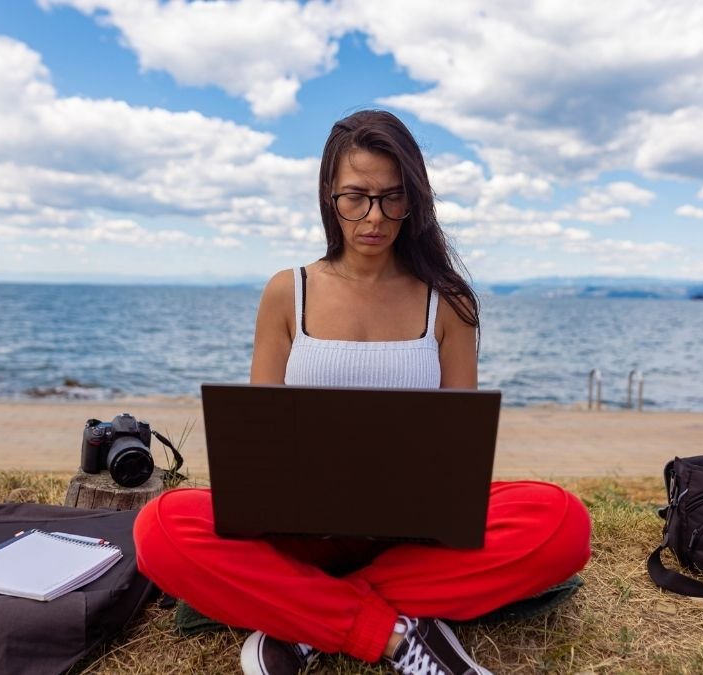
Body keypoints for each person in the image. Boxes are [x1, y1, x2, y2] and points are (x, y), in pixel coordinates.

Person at [132, 110, 592, 675]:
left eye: (392, 198)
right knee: (160, 529)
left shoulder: (448, 301)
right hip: (300, 535)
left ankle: (307, 618)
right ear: (329, 196)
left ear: (414, 201)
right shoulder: (287, 292)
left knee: (563, 522)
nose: (375, 217)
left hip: (415, 538)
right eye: (357, 197)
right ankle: (393, 633)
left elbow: (460, 457)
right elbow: (259, 445)